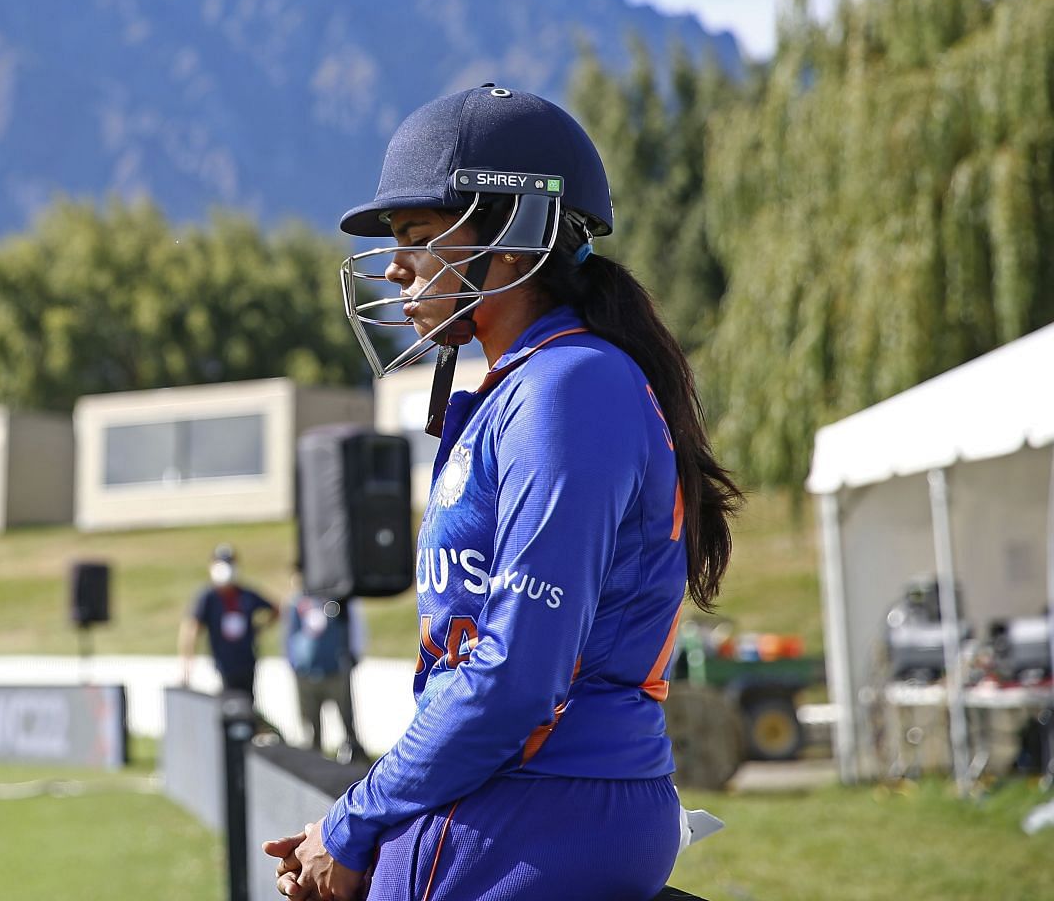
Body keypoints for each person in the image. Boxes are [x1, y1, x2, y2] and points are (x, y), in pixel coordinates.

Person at [265, 84, 741, 901]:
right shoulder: (527, 388)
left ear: (515, 236)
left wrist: (352, 822)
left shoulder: (571, 388)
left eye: (417, 234)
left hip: (539, 812)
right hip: (510, 804)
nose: (394, 266)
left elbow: (518, 674)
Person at [284, 567, 368, 763]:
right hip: (307, 672)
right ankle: (314, 762)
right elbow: (288, 636)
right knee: (310, 727)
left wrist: (354, 654)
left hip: (335, 671)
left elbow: (355, 626)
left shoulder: (336, 599)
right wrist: (293, 662)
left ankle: (353, 758)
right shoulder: (296, 603)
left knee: (347, 721)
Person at [179, 544, 277, 696]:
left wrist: (259, 628)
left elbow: (275, 609)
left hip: (246, 661)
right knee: (227, 701)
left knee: (246, 701)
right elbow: (191, 629)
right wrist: (187, 665)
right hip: (222, 663)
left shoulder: (246, 594)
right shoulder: (208, 598)